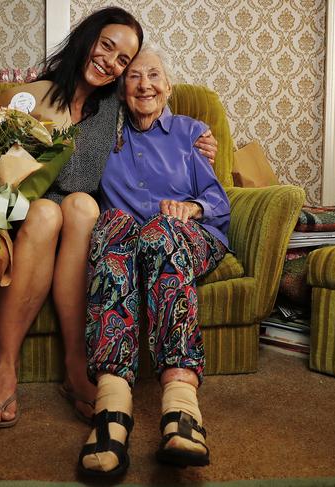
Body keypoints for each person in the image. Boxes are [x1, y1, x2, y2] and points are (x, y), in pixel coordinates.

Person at [0, 7, 217, 428]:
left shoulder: (115, 105)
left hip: (78, 217)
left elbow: (157, 117)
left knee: (81, 205)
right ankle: (5, 365)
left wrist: (199, 140)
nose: (112, 63)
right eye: (107, 47)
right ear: (87, 39)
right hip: (28, 214)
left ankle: (77, 366)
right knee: (44, 213)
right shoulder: (32, 96)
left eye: (123, 61)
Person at [77, 46, 230, 477]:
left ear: (168, 86)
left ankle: (182, 408)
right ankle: (111, 408)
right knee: (112, 230)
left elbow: (218, 200)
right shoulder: (102, 136)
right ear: (121, 89)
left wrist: (192, 210)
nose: (145, 84)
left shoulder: (191, 132)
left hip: (186, 236)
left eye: (155, 75)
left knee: (160, 232)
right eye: (134, 77)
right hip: (127, 239)